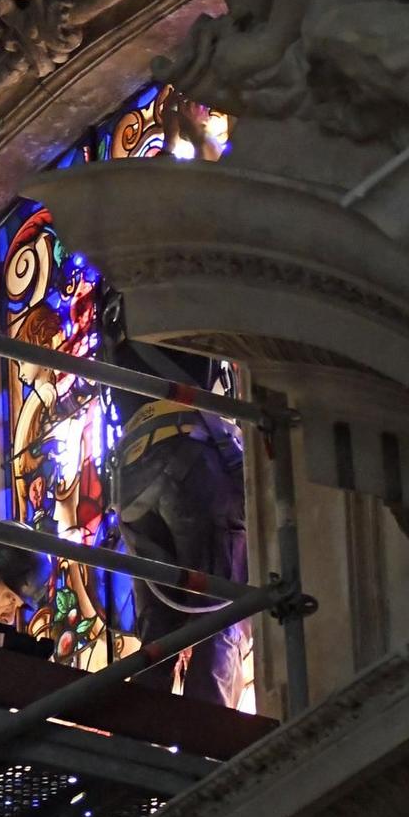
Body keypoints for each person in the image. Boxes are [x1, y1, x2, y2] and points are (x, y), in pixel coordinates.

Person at [104, 291, 251, 706]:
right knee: (218, 615)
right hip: (190, 458)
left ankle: (139, 736)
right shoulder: (184, 299)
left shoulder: (116, 316)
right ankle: (209, 738)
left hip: (132, 479)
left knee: (158, 634)